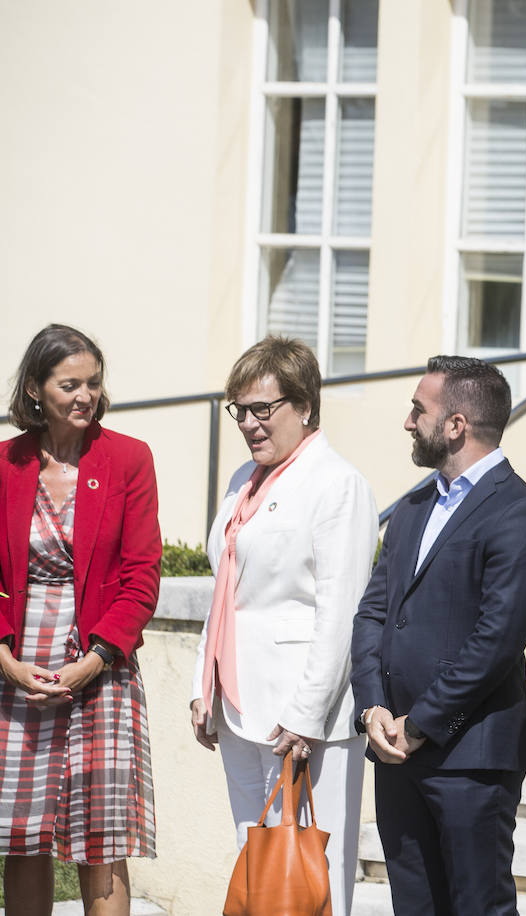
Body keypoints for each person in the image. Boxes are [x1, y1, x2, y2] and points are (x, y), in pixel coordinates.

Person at [190, 336, 377, 915]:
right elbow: (227, 590)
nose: (248, 423)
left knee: (313, 873)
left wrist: (307, 713)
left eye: (262, 409)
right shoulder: (242, 479)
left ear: (305, 407)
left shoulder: (336, 483)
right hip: (239, 705)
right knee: (259, 865)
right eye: (239, 410)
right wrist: (204, 682)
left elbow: (341, 608)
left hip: (302, 712)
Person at [351, 356, 526, 915]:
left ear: (456, 425)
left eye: (419, 410)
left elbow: (497, 641)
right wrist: (374, 710)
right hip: (394, 749)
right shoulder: (413, 506)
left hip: (470, 757)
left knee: (477, 905)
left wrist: (424, 724)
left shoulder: (518, 511)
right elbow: (373, 614)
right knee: (414, 904)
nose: (409, 422)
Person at [0, 324, 159, 916]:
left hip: (100, 664)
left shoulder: (128, 459)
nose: (84, 396)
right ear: (37, 390)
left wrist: (93, 661)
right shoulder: (5, 464)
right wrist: (6, 661)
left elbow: (142, 577)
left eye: (93, 383)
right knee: (22, 835)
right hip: (16, 670)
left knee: (100, 837)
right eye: (70, 384)